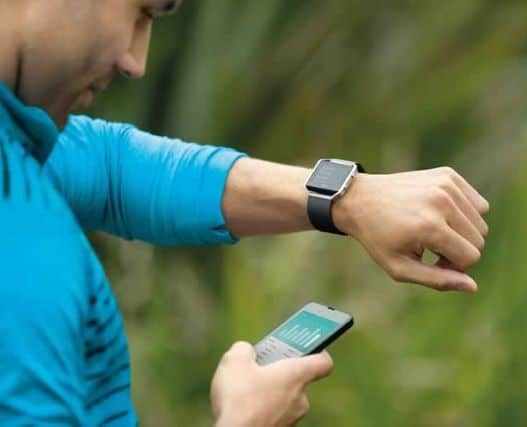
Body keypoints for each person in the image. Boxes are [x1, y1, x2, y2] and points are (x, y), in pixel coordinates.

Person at [0, 0, 490, 425]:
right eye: (140, 11)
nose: (136, 61)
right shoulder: (24, 257)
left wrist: (346, 198)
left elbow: (107, 168)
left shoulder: (19, 144)